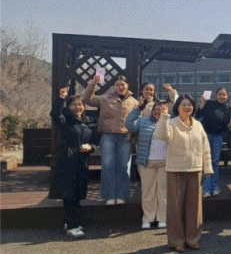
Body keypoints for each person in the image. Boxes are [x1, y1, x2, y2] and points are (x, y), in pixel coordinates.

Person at [153, 95, 213, 252]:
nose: (187, 107)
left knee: (194, 208)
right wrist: (164, 117)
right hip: (175, 170)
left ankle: (193, 239)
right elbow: (161, 136)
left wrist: (208, 167)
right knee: (175, 207)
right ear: (177, 107)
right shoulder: (171, 122)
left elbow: (205, 147)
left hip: (195, 169)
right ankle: (176, 241)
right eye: (183, 105)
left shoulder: (198, 125)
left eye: (190, 105)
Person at [49, 88, 98, 238]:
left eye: (80, 104)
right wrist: (60, 99)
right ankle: (72, 226)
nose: (78, 107)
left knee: (76, 192)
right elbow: (55, 115)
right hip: (67, 159)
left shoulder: (89, 121)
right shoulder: (66, 120)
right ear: (69, 107)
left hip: (82, 160)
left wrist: (91, 147)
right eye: (74, 105)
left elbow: (95, 141)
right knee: (69, 192)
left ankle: (70, 221)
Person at [82, 74, 139, 205]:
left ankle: (121, 195)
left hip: (125, 137)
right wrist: (93, 83)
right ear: (113, 87)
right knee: (108, 166)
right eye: (117, 85)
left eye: (123, 85)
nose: (120, 87)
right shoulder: (105, 98)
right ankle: (109, 196)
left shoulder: (134, 102)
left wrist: (132, 133)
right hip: (108, 136)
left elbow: (136, 120)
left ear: (127, 86)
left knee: (124, 166)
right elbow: (86, 99)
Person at [125, 100, 168, 229]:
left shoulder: (170, 122)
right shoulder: (143, 121)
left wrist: (165, 119)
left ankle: (162, 218)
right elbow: (129, 124)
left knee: (163, 192)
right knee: (148, 191)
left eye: (162, 109)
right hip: (146, 162)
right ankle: (148, 218)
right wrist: (137, 109)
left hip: (165, 163)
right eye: (156, 109)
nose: (158, 112)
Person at [196, 87, 231, 197]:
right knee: (206, 161)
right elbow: (198, 115)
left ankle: (215, 187)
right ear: (216, 95)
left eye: (224, 95)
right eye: (220, 94)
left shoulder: (227, 109)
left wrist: (230, 124)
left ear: (227, 96)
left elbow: (225, 127)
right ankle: (206, 189)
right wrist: (202, 104)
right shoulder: (209, 104)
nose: (222, 96)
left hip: (218, 137)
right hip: (206, 135)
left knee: (215, 162)